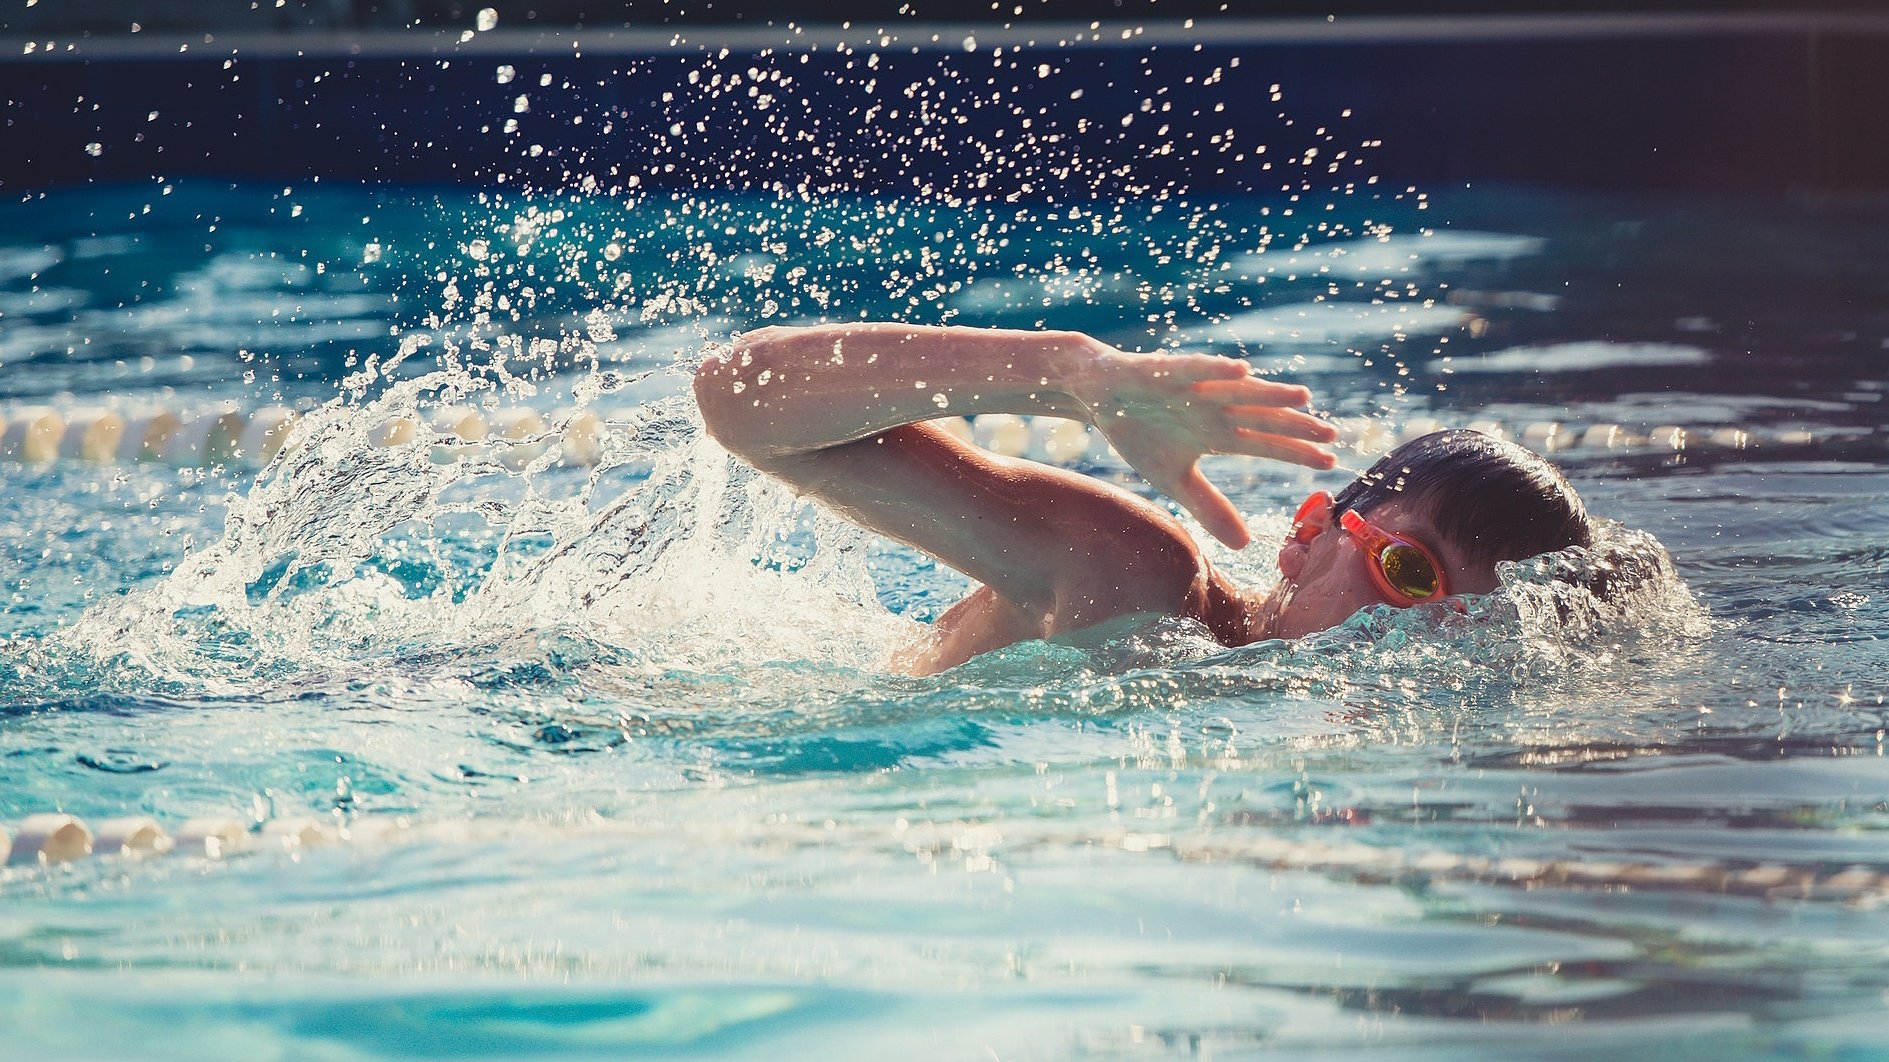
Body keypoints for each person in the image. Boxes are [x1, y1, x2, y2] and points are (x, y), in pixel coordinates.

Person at [694, 323, 1593, 674]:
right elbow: (739, 400)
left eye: (1465, 626)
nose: (1413, 641)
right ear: (1308, 533)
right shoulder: (1137, 579)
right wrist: (1066, 376)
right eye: (1407, 571)